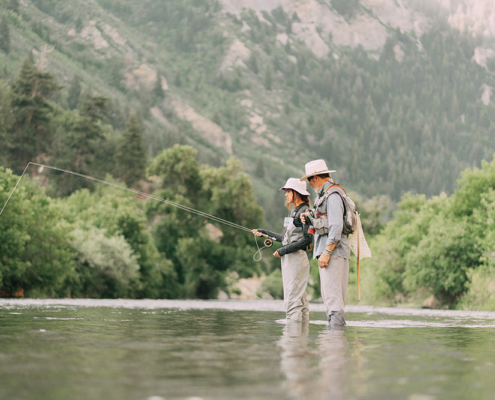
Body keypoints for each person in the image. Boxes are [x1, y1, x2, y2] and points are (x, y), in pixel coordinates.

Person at [253, 178, 312, 321]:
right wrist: (265, 232)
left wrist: (282, 251)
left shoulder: (304, 212)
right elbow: (286, 238)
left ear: (296, 193)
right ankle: (299, 337)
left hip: (296, 260)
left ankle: (292, 338)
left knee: (293, 299)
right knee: (299, 299)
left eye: (287, 191)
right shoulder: (295, 212)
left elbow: (307, 239)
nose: (285, 194)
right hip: (291, 260)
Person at [300, 159, 351, 326]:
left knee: (333, 301)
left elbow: (336, 227)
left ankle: (334, 344)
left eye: (309, 179)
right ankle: (333, 343)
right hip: (331, 253)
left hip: (333, 253)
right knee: (330, 299)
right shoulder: (326, 194)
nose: (309, 183)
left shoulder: (332, 195)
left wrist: (326, 252)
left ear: (315, 178)